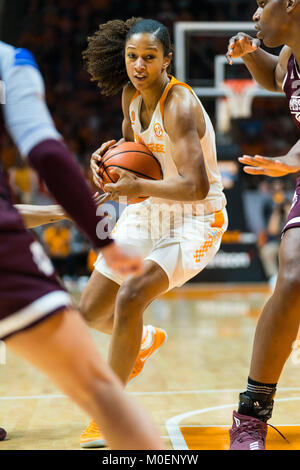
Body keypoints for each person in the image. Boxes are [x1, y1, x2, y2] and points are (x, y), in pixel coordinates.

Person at [0, 40, 164, 450]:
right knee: (100, 392)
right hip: (7, 261)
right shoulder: (11, 61)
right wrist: (104, 241)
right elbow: (48, 154)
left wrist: (59, 212)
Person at [75, 17, 227, 447]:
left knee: (132, 294)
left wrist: (136, 184)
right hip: (150, 208)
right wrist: (107, 159)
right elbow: (135, 151)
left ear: (167, 60)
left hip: (198, 216)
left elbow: (196, 187)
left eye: (149, 57)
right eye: (132, 57)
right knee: (89, 311)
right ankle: (143, 339)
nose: (139, 66)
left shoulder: (178, 105)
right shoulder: (130, 96)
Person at [226, 0, 300, 450]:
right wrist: (253, 54)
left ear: (290, 3)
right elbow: (276, 79)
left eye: (260, 2)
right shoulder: (291, 54)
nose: (254, 13)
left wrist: (289, 160)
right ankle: (251, 414)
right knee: (292, 278)